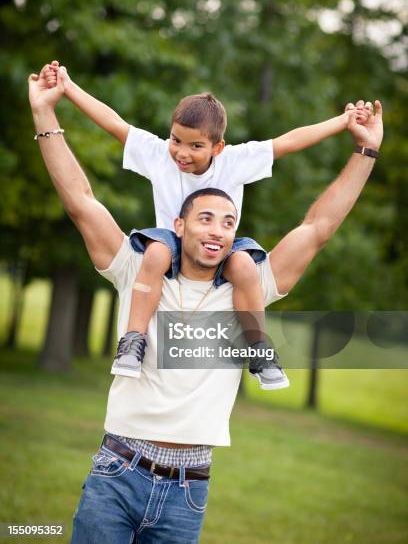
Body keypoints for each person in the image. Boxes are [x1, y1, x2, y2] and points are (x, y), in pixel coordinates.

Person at [29, 63, 383, 544]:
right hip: (116, 473)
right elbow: (81, 201)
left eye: (228, 221)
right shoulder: (140, 268)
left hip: (187, 492)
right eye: (205, 217)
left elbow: (317, 228)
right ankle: (130, 345)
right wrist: (46, 112)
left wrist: (365, 148)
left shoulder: (248, 285)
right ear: (178, 224)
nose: (217, 229)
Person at [44, 61, 370, 391]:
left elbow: (287, 142)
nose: (181, 153)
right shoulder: (159, 155)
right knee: (155, 253)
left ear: (217, 147)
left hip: (221, 248)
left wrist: (342, 122)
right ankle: (132, 342)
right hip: (172, 244)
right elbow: (114, 123)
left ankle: (258, 348)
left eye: (195, 146)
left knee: (243, 264)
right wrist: (69, 88)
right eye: (176, 140)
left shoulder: (235, 162)